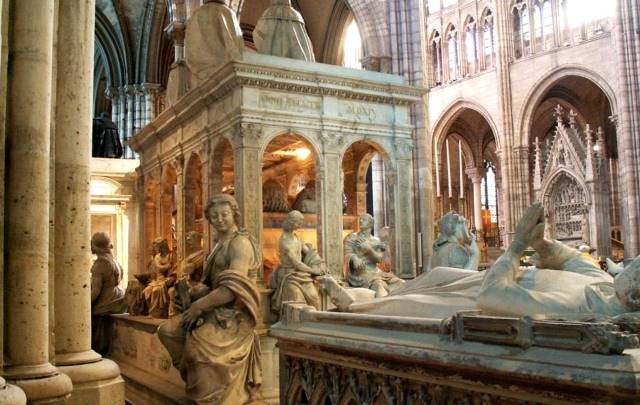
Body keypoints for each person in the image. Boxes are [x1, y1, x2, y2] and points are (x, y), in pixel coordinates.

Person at [323, 204, 640, 320]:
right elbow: (570, 259)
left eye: (637, 268)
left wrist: (517, 246)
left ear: (636, 297)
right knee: (438, 275)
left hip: (482, 300)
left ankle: (354, 309)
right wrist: (540, 241)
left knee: (415, 304)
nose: (635, 261)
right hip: (499, 276)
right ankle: (375, 294)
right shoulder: (606, 283)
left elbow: (493, 298)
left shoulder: (589, 313)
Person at [158, 194, 262, 404]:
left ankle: (213, 396)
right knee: (167, 331)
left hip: (233, 315)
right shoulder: (217, 245)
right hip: (213, 308)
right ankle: (198, 381)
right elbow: (211, 284)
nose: (220, 219)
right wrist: (190, 292)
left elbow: (233, 288)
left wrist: (198, 305)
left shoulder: (240, 243)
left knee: (197, 352)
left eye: (224, 214)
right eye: (214, 216)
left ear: (234, 214)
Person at [270, 210, 324, 312]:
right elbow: (297, 263)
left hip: (301, 275)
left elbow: (309, 253)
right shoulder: (285, 241)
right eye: (299, 222)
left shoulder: (297, 238)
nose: (300, 225)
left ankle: (315, 322)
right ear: (291, 222)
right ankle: (296, 325)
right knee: (297, 299)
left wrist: (319, 263)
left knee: (314, 297)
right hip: (289, 276)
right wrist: (314, 271)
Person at [344, 213, 404, 297]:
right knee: (379, 284)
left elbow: (378, 259)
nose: (361, 221)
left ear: (371, 224)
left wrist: (369, 249)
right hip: (360, 273)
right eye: (360, 219)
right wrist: (354, 258)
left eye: (364, 219)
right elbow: (347, 253)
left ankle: (394, 300)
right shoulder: (352, 238)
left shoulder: (376, 240)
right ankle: (382, 306)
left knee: (400, 283)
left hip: (375, 271)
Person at [90, 232, 126, 355]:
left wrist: (82, 304)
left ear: (94, 245)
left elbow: (95, 292)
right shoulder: (114, 261)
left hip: (106, 302)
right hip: (117, 297)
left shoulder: (100, 264)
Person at [142, 238, 176, 318]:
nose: (156, 249)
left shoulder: (171, 255)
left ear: (162, 246)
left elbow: (175, 269)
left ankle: (156, 313)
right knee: (147, 290)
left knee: (156, 290)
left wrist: (169, 270)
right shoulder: (157, 256)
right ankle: (151, 311)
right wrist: (169, 265)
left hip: (168, 278)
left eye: (157, 247)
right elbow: (159, 268)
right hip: (158, 279)